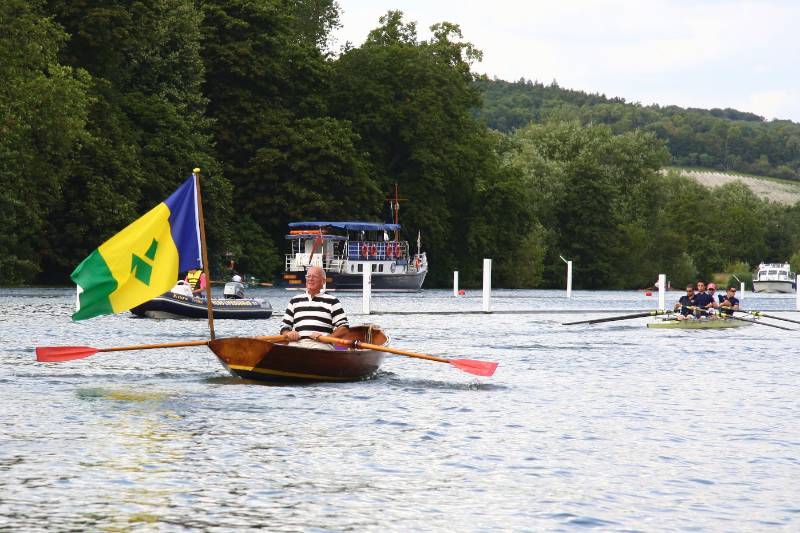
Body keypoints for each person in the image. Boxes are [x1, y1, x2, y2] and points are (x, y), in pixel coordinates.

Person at [280, 266, 349, 350]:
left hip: (321, 344)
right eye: (308, 276)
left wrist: (328, 338)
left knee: (316, 351)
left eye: (315, 276)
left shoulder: (332, 301)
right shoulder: (295, 300)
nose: (310, 279)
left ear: (323, 281)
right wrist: (289, 333)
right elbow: (284, 326)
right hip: (298, 342)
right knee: (288, 350)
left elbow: (344, 327)